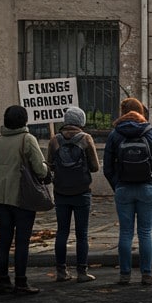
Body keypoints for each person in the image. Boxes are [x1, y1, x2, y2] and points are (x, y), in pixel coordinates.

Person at [103, 97, 152, 286]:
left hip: (124, 188)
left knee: (126, 232)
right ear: (141, 112)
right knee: (145, 232)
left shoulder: (115, 134)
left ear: (122, 112)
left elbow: (107, 167)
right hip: (147, 187)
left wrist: (118, 184)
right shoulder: (150, 132)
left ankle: (125, 274)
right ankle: (146, 274)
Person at [0, 104, 49, 295]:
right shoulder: (27, 139)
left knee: (4, 240)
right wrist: (48, 169)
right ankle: (21, 282)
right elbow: (40, 169)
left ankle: (3, 281)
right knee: (22, 241)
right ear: (24, 120)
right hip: (22, 196)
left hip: (0, 197)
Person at [49, 106, 100, 283]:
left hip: (61, 192)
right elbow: (94, 167)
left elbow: (50, 165)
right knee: (82, 234)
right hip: (82, 192)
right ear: (81, 122)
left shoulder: (55, 140)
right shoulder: (86, 139)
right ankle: (82, 272)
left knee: (62, 232)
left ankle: (61, 272)